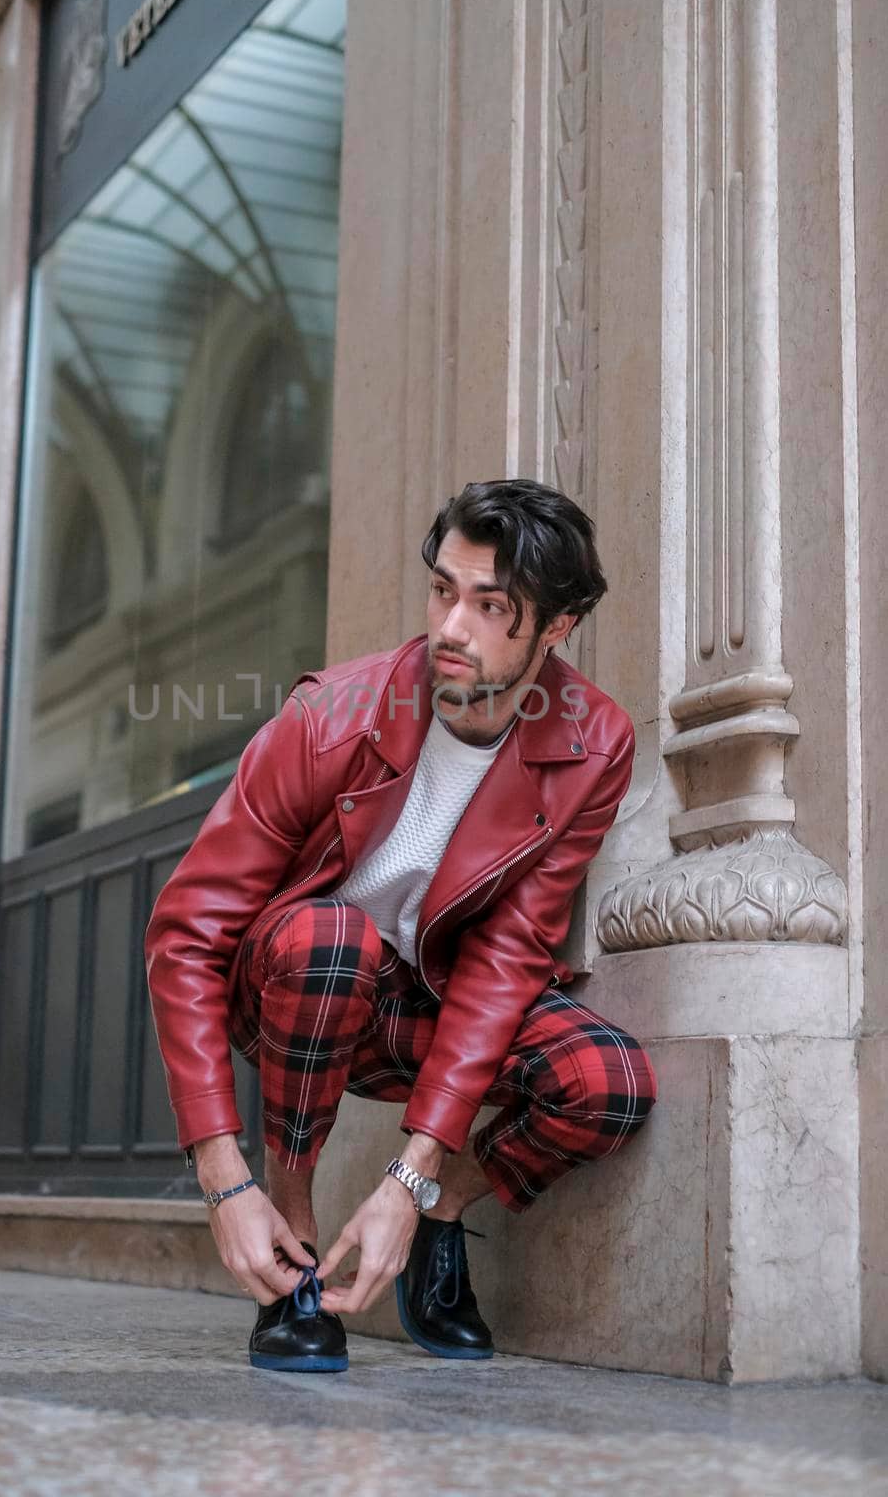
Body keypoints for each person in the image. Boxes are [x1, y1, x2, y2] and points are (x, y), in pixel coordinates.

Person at [145, 479, 658, 1372]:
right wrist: (223, 1179)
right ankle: (291, 1249)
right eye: (442, 590)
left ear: (555, 628)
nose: (451, 627)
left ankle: (442, 1219)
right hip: (302, 989)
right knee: (331, 940)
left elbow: (507, 957)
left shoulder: (593, 741)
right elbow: (186, 934)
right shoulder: (328, 717)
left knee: (606, 1081)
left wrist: (414, 1177)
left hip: (434, 1005)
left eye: (491, 605)